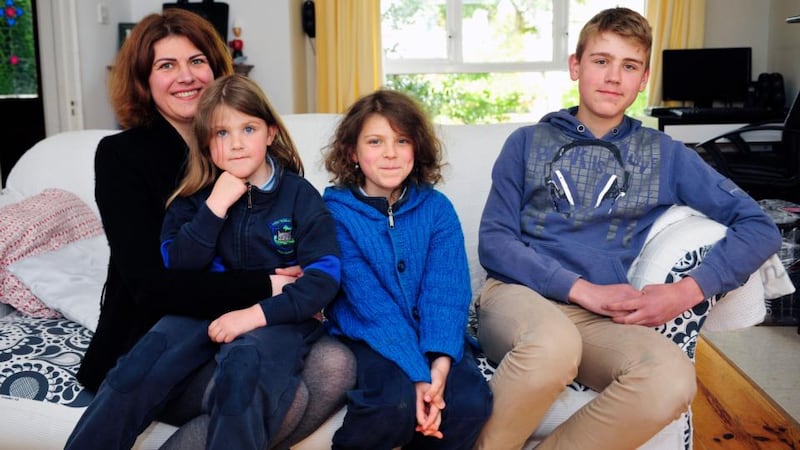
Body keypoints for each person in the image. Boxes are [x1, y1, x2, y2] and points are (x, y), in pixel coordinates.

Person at [474, 7, 782, 450]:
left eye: (630, 66)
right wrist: (582, 289)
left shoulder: (666, 155)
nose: (614, 77)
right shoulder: (526, 143)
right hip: (517, 296)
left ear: (643, 79)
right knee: (553, 346)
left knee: (672, 379)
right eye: (601, 61)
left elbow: (759, 226)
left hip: (599, 320)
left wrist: (686, 291)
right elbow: (495, 242)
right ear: (576, 66)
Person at [71, 8, 353, 448]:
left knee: (336, 363)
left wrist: (282, 299)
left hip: (251, 329)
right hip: (158, 331)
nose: (186, 76)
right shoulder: (123, 156)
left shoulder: (273, 172)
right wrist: (269, 284)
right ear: (145, 80)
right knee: (282, 396)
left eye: (196, 61)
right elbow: (154, 284)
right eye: (167, 65)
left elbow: (311, 260)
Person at [322, 89, 493, 449]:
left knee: (469, 403)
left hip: (432, 334)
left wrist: (440, 366)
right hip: (368, 335)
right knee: (392, 404)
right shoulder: (333, 213)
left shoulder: (436, 208)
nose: (390, 153)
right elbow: (368, 304)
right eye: (375, 141)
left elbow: (446, 293)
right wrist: (418, 375)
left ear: (416, 149)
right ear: (352, 152)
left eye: (402, 141)